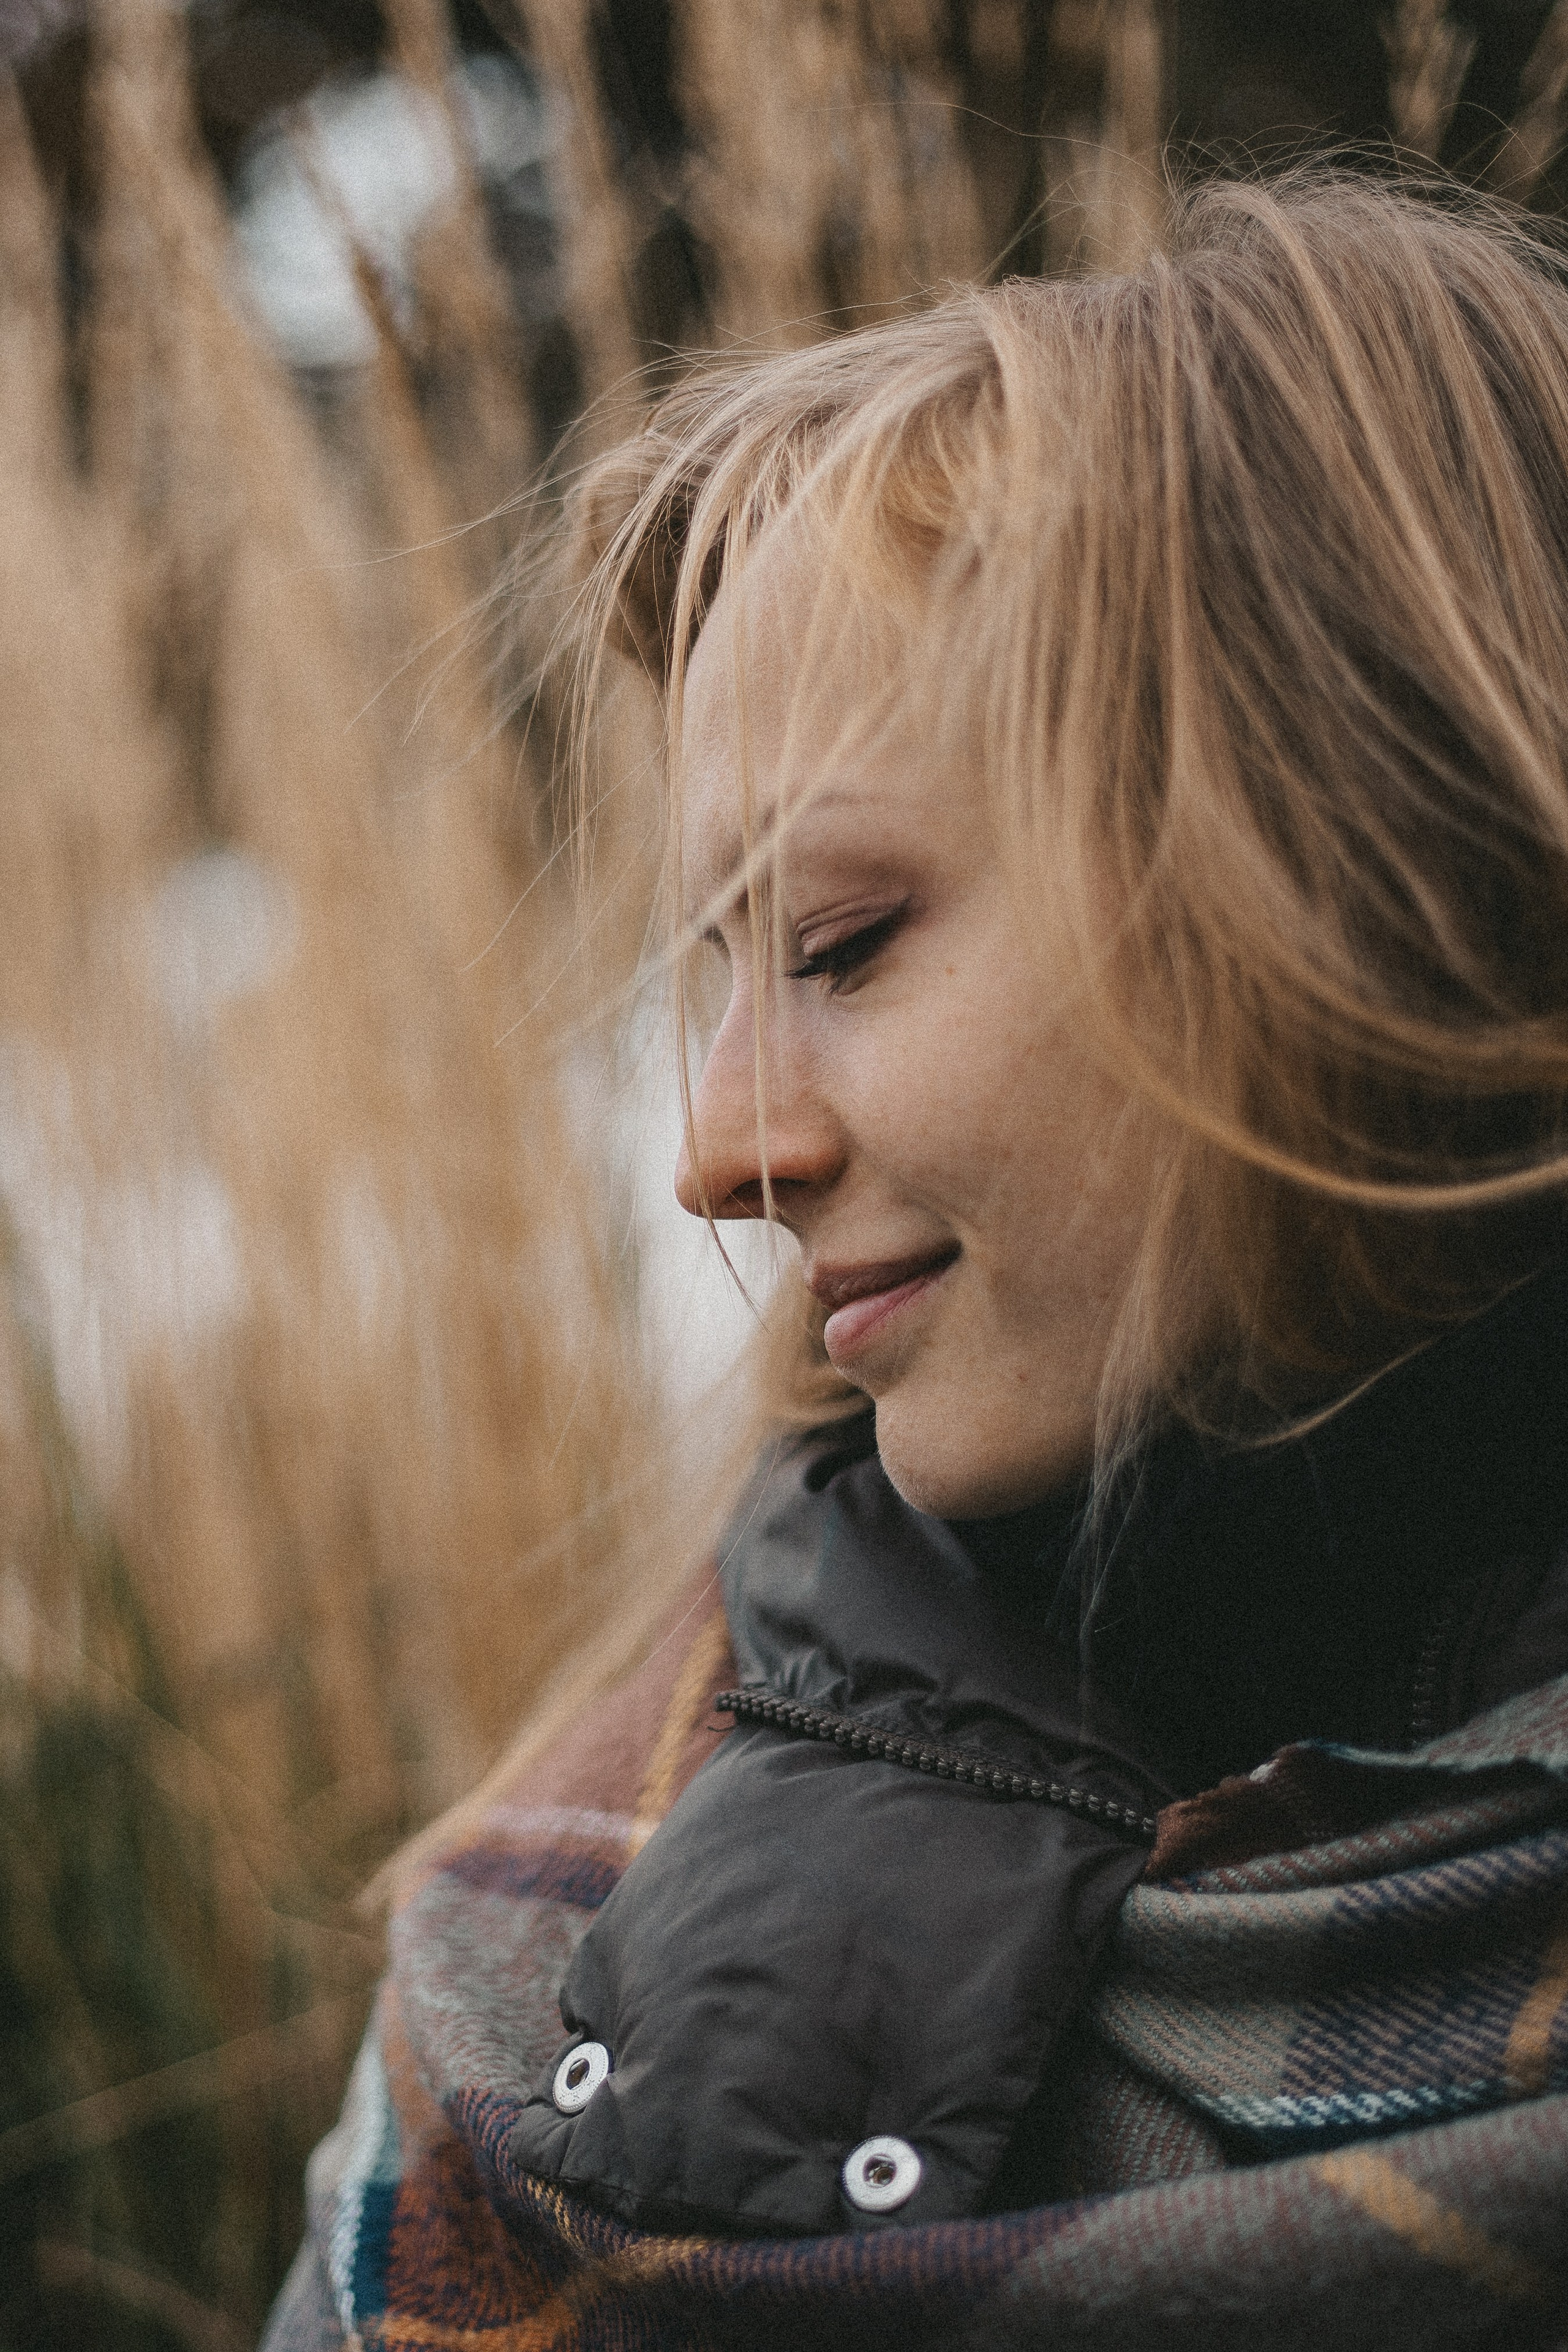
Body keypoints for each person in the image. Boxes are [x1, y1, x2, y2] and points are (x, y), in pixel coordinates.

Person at [264, 170, 1568, 2351]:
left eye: (846, 942)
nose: (718, 1155)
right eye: (719, 976)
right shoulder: (560, 1949)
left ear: (1370, 853)